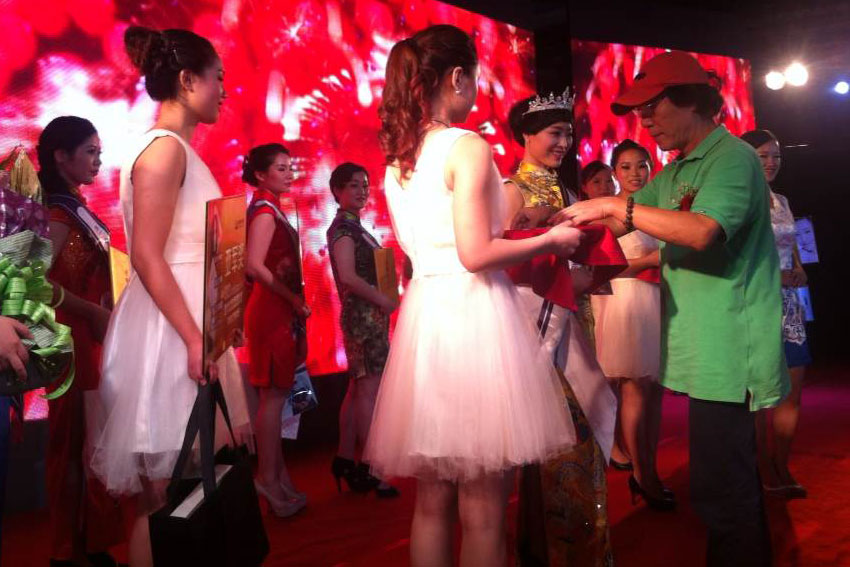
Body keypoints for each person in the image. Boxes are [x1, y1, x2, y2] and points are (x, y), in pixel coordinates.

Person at [362, 25, 582, 567]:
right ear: (458, 77)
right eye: (477, 76)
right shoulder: (466, 146)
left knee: (431, 503)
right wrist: (552, 239)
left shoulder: (400, 157)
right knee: (484, 509)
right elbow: (476, 253)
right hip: (473, 318)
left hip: (427, 320)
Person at [558, 51, 788, 567]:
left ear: (693, 103)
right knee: (721, 487)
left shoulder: (731, 158)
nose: (644, 120)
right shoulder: (679, 168)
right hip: (703, 347)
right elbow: (624, 225)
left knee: (724, 491)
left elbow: (701, 231)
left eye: (653, 107)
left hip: (730, 347)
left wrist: (613, 203)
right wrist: (553, 228)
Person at [89, 26, 251, 567]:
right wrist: (194, 337)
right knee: (163, 497)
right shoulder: (163, 152)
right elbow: (146, 255)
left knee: (178, 493)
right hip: (169, 333)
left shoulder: (175, 150)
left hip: (184, 325)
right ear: (187, 80)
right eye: (217, 77)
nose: (224, 90)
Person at [504, 93, 618, 566]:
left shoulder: (568, 192)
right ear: (526, 136)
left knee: (576, 440)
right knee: (558, 444)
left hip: (574, 321)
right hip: (537, 330)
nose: (564, 143)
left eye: (569, 134)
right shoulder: (511, 190)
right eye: (554, 133)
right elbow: (502, 266)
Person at [38, 116, 123, 567]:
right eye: (90, 152)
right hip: (67, 342)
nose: (98, 161)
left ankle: (91, 542)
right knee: (71, 445)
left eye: (99, 152)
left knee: (90, 443)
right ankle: (66, 551)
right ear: (60, 156)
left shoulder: (76, 207)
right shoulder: (55, 215)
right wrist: (92, 311)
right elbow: (35, 286)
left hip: (89, 340)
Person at [591, 139, 673, 510]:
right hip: (625, 301)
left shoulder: (659, 209)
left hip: (656, 300)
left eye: (642, 165)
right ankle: (641, 473)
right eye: (626, 167)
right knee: (635, 387)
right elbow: (599, 269)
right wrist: (650, 262)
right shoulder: (608, 213)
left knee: (654, 391)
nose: (635, 173)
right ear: (615, 172)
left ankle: (649, 469)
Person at [742, 129, 811, 499]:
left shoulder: (781, 200)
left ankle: (781, 464)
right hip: (756, 304)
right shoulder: (739, 200)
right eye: (763, 156)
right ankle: (761, 469)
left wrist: (798, 269)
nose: (771, 163)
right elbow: (735, 260)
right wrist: (775, 275)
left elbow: (793, 248)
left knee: (792, 393)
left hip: (790, 307)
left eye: (776, 156)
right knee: (759, 397)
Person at [242, 143, 308, 517]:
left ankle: (278, 477)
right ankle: (267, 478)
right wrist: (292, 298)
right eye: (280, 168)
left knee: (276, 398)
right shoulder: (265, 211)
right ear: (260, 175)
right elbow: (253, 265)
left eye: (289, 167)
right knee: (272, 399)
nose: (288, 173)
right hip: (271, 312)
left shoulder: (270, 208)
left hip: (279, 310)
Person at [326, 162, 399, 498]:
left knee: (358, 390)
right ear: (337, 190)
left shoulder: (354, 226)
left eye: (365, 185)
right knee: (369, 391)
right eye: (353, 185)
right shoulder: (344, 229)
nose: (361, 191)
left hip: (368, 317)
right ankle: (373, 469)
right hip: (363, 318)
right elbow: (348, 277)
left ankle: (344, 458)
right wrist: (383, 300)